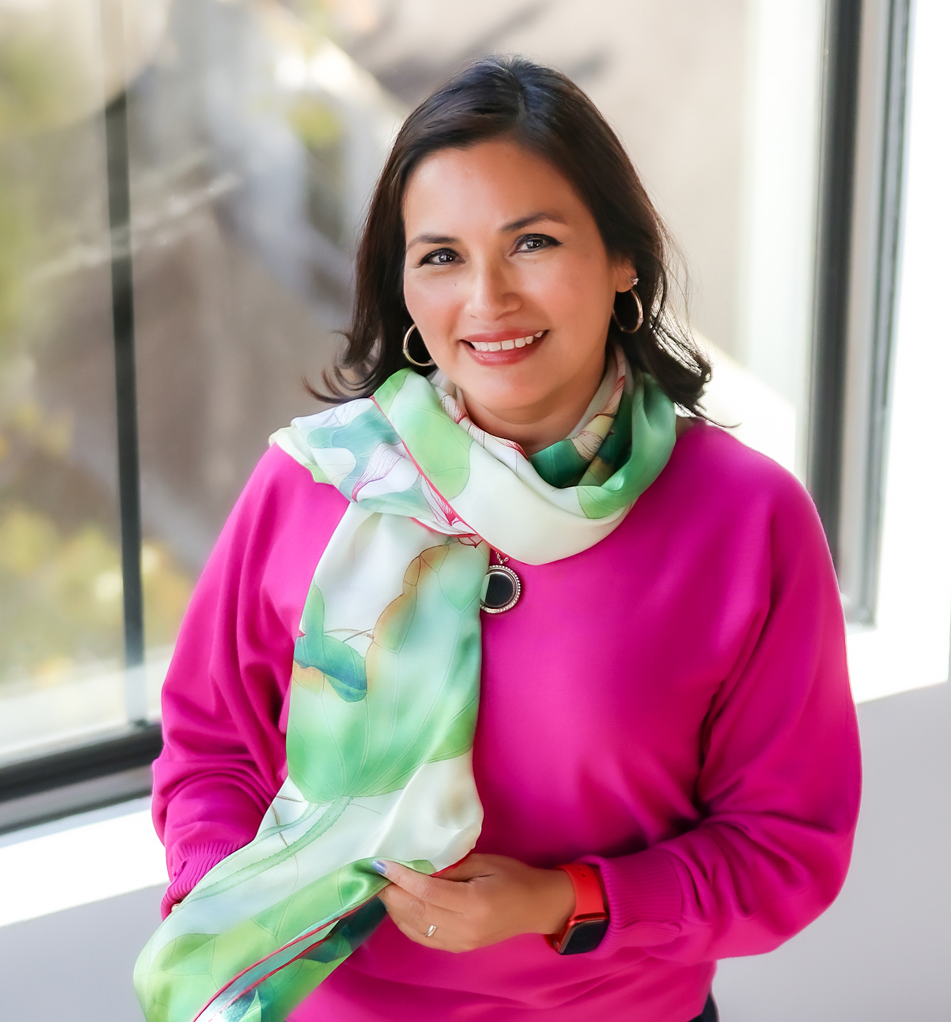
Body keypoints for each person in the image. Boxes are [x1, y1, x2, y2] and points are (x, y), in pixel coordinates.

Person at [139, 58, 861, 1022]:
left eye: (532, 243)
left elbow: (783, 849)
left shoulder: (744, 518)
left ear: (621, 260)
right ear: (401, 284)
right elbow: (213, 750)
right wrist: (248, 915)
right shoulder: (312, 480)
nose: (488, 299)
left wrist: (563, 902)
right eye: (440, 255)